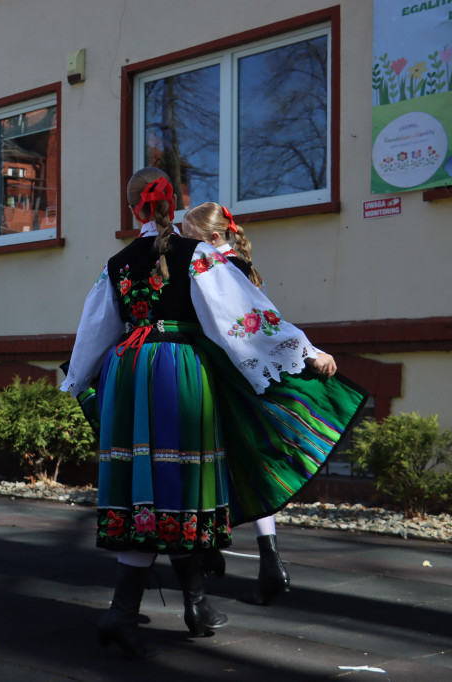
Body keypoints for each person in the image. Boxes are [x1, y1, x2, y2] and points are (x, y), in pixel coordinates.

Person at [61, 168, 365, 658]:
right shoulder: (197, 255)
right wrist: (302, 350)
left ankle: (189, 606)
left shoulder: (116, 262)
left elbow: (95, 330)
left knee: (147, 486)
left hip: (128, 370)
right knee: (177, 485)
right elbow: (243, 316)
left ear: (132, 206)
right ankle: (129, 612)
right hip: (176, 370)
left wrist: (79, 380)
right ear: (173, 203)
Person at [181, 201, 288, 605]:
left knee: (206, 459)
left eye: (190, 240)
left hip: (214, 373)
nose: (184, 247)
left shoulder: (214, 269)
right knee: (248, 462)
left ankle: (208, 549)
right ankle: (269, 558)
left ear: (211, 239)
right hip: (245, 374)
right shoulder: (241, 267)